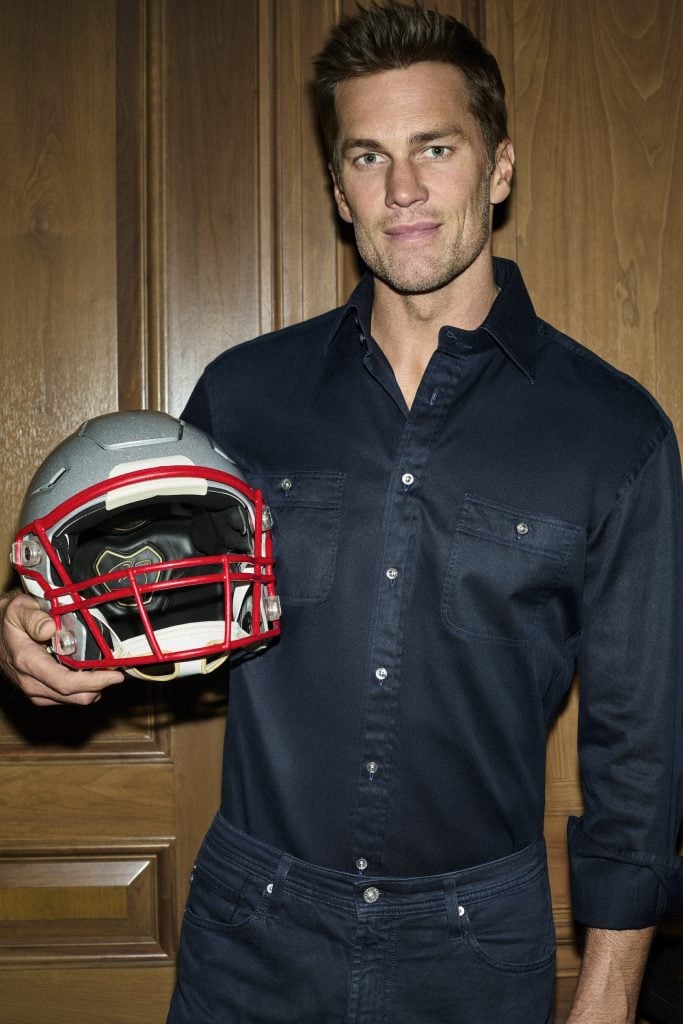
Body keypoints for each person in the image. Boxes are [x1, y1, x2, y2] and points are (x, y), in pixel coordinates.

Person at [1, 2, 681, 1021]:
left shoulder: (614, 434)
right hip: (253, 927)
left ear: (497, 169)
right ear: (336, 191)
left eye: (434, 148)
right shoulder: (242, 397)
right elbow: (135, 594)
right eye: (367, 158)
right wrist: (38, 637)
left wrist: (610, 987)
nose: (401, 190)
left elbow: (639, 743)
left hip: (475, 945)